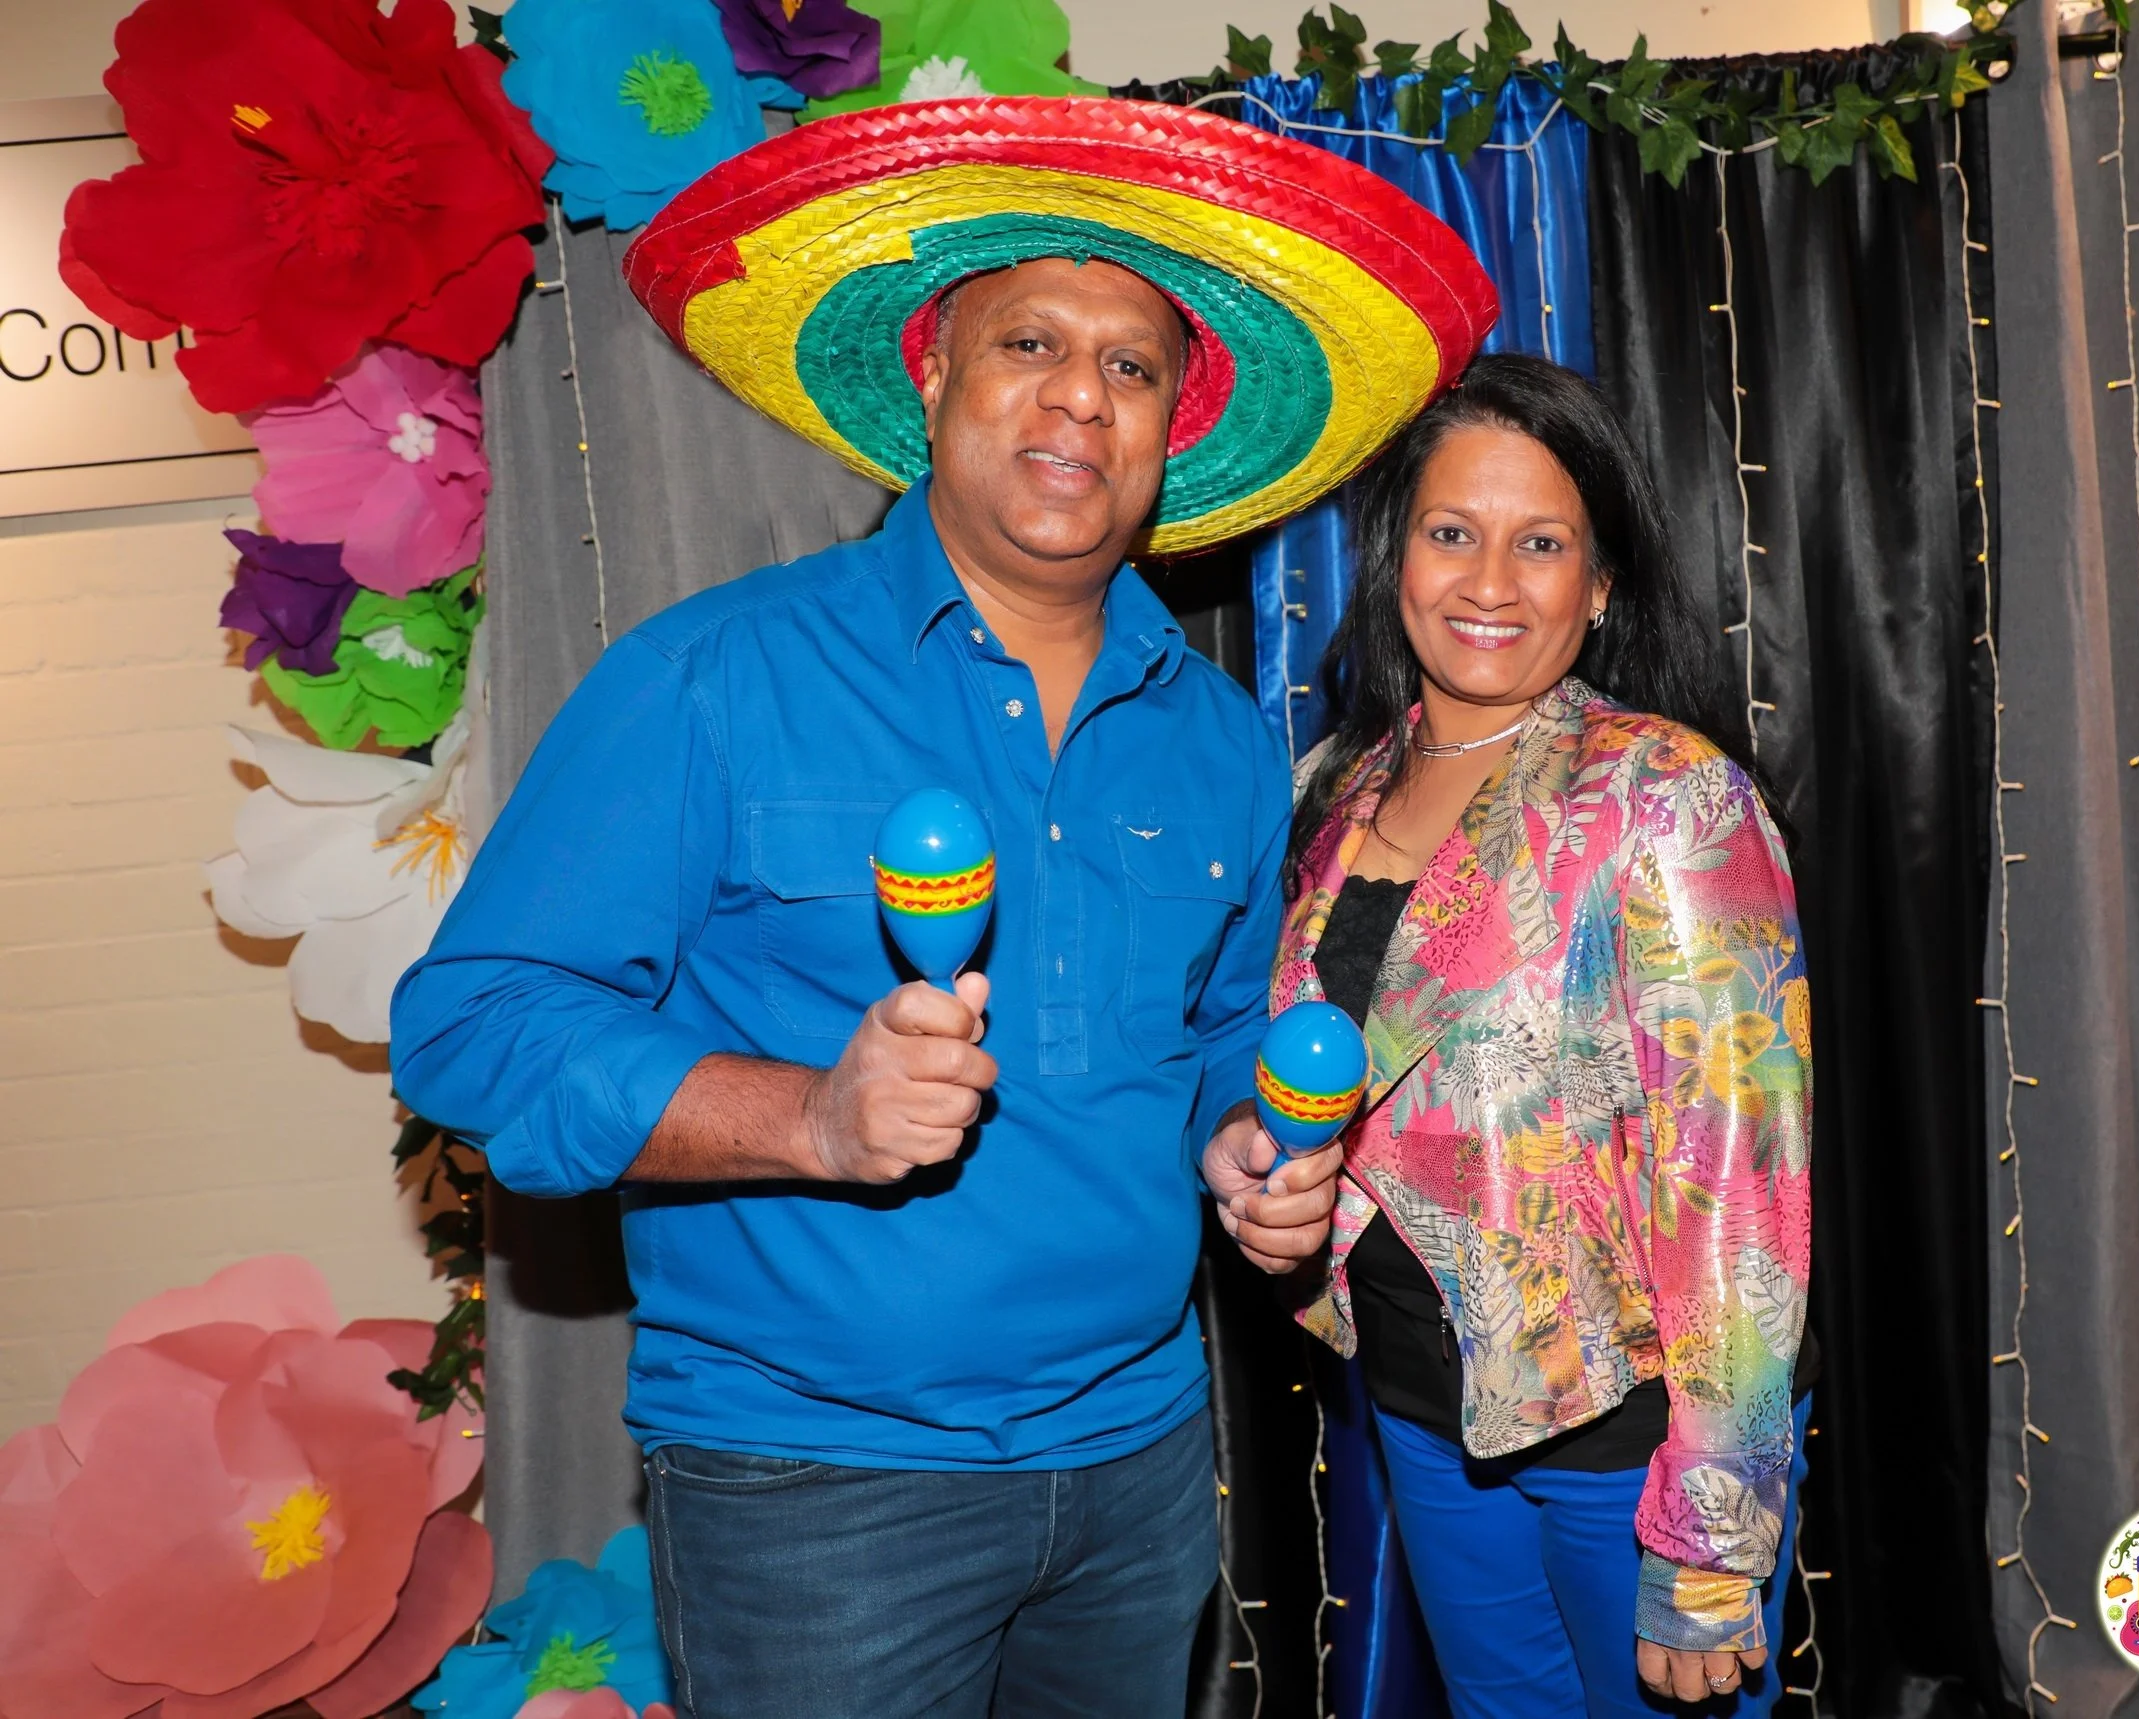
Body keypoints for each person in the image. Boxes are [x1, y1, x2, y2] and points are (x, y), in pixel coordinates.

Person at [389, 99, 1495, 1718]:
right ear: (930, 373)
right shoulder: (715, 675)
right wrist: (809, 1117)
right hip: (813, 1488)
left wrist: (1244, 1145)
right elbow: (471, 1031)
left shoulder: (1213, 738)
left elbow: (1207, 1036)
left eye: (1131, 367)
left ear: (1172, 427)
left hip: (1135, 1471)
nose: (1080, 396)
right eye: (1029, 341)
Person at [1273, 354, 1816, 1717]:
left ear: (1603, 583)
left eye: (1542, 544)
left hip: (1630, 1436)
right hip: (1424, 1408)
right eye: (1453, 532)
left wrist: (1710, 1529)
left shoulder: (1665, 793)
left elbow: (1741, 1177)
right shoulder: (1334, 791)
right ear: (1398, 555)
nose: (1491, 582)